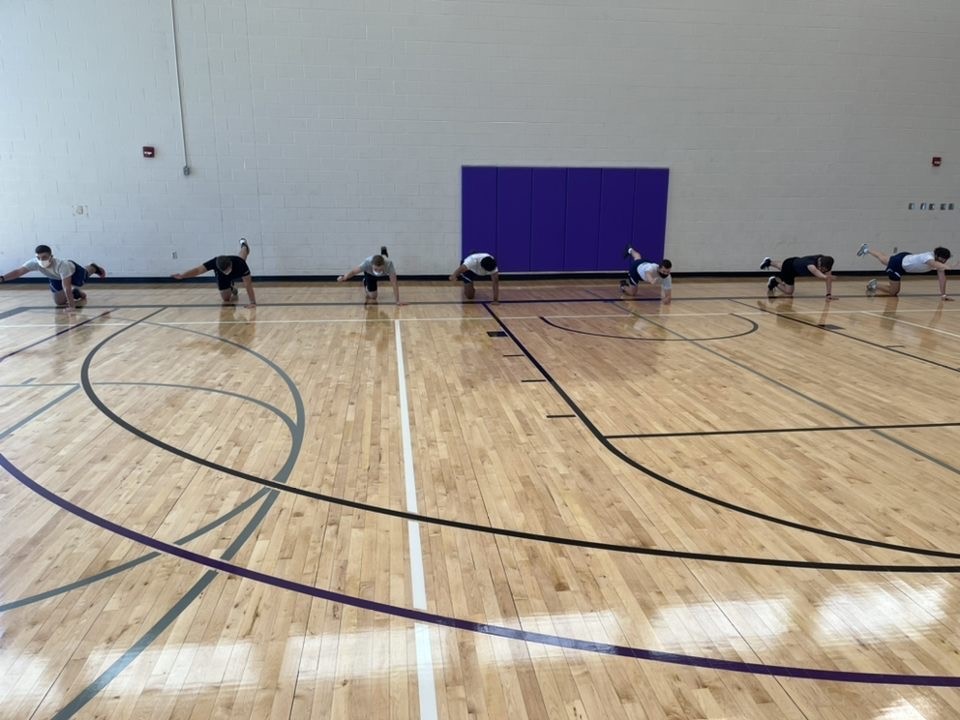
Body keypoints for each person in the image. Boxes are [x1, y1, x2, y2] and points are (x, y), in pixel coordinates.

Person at [0, 244, 106, 310]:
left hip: (73, 271)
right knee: (59, 302)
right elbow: (18, 272)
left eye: (44, 257)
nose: (41, 260)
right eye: (38, 257)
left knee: (82, 281)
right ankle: (76, 293)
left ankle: (93, 267)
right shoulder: (34, 263)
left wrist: (72, 306)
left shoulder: (62, 265)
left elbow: (66, 286)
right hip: (55, 277)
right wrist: (2, 278)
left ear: (51, 257)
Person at [172, 238, 257, 307]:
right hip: (222, 278)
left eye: (228, 270)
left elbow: (248, 284)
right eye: (224, 271)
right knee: (226, 299)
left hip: (237, 267)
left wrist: (252, 302)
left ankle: (244, 246)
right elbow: (198, 270)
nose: (227, 272)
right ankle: (231, 287)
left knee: (242, 257)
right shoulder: (214, 262)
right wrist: (183, 275)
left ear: (230, 265)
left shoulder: (240, 264)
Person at [857, 243, 952, 300]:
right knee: (893, 292)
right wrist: (950, 267)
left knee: (883, 258)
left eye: (945, 260)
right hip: (898, 265)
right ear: (936, 255)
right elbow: (934, 264)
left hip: (905, 257)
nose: (943, 262)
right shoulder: (928, 257)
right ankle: (874, 285)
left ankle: (866, 249)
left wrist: (943, 294)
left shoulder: (939, 263)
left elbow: (942, 278)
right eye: (942, 259)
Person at [337, 246, 403, 305]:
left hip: (384, 266)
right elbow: (353, 272)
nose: (378, 271)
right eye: (376, 269)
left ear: (384, 265)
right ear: (371, 265)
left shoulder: (389, 264)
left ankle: (383, 253)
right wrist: (343, 277)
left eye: (380, 269)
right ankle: (365, 282)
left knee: (385, 257)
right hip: (370, 274)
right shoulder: (367, 263)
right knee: (373, 297)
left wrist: (397, 301)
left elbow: (394, 283)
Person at [760, 254, 835, 299]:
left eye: (824, 269)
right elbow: (817, 273)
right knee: (789, 292)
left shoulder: (826, 265)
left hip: (794, 262)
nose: (821, 270)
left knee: (780, 266)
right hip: (790, 269)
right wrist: (826, 277)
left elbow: (828, 280)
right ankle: (773, 281)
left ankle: (769, 262)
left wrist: (828, 294)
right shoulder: (811, 265)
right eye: (820, 268)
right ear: (819, 262)